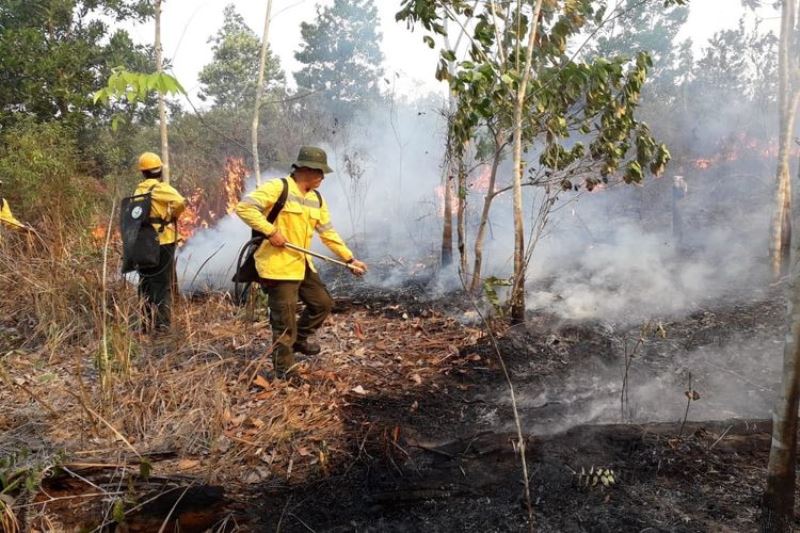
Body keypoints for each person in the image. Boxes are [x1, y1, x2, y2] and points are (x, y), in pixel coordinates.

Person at [235, 146, 367, 377]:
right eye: (319, 173)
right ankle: (285, 372)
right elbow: (244, 207)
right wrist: (270, 231)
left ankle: (299, 339)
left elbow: (328, 232)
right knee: (284, 322)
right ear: (305, 169)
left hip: (301, 263)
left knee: (323, 303)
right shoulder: (279, 188)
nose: (322, 178)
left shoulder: (316, 199)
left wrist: (350, 258)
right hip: (278, 267)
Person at [134, 152, 186, 332]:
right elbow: (180, 201)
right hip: (162, 241)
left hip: (142, 242)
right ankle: (163, 326)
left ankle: (146, 324)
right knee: (162, 285)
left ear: (143, 172)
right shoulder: (160, 188)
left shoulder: (138, 190)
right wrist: (172, 215)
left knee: (146, 282)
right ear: (159, 171)